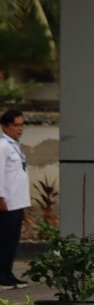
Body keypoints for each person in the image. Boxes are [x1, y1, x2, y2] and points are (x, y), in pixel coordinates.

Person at [0, 110, 31, 290]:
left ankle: (8, 273)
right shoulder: (3, 146)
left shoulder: (14, 145)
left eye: (21, 125)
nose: (20, 128)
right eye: (16, 125)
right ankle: (1, 275)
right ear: (5, 127)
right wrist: (0, 197)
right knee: (4, 240)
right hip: (7, 202)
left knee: (12, 240)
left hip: (17, 201)